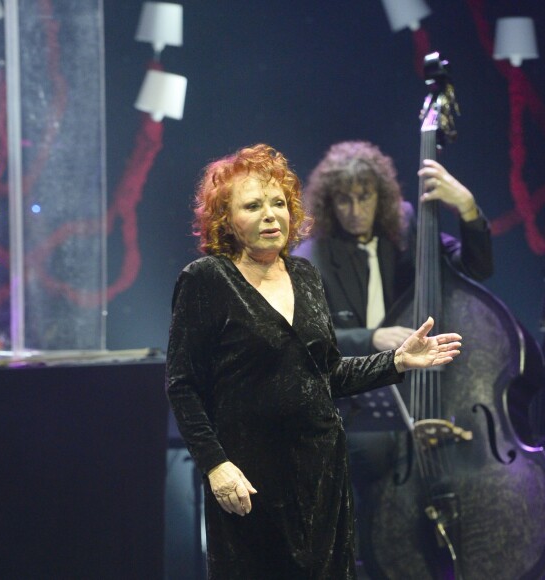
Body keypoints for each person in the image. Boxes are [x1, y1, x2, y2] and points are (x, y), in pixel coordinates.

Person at [165, 143, 462, 580]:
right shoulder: (206, 280)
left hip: (323, 474)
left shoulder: (305, 276)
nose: (271, 215)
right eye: (253, 205)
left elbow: (325, 376)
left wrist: (396, 361)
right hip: (249, 481)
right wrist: (215, 464)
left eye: (279, 203)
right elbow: (182, 384)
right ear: (226, 220)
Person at [293, 140, 493, 573]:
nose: (354, 209)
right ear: (329, 203)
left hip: (429, 391)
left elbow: (476, 269)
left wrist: (469, 209)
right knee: (373, 453)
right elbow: (306, 337)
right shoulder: (313, 255)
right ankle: (382, 559)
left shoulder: (408, 226)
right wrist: (372, 338)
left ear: (381, 196)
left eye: (364, 196)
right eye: (343, 199)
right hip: (361, 399)